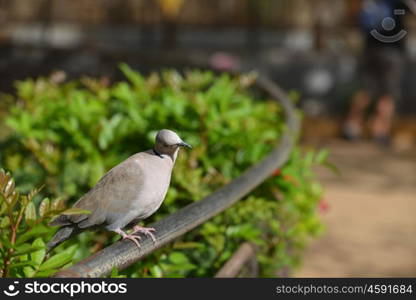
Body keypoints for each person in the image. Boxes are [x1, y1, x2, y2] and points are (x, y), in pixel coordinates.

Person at [343, 0, 416, 144]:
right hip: (392, 53)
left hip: (369, 51)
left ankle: (351, 127)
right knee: (388, 94)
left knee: (365, 90)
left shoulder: (373, 2)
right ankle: (380, 132)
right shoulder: (400, 2)